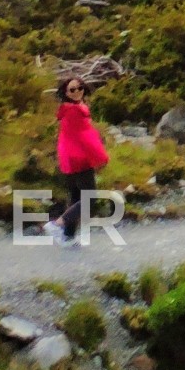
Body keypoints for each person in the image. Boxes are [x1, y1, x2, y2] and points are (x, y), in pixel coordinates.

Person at [45, 74, 109, 245]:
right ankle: (58, 224)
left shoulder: (68, 109)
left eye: (79, 88)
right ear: (66, 92)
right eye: (72, 90)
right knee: (90, 197)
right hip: (80, 159)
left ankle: (68, 236)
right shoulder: (76, 111)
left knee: (75, 197)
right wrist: (101, 157)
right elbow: (86, 137)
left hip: (69, 159)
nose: (77, 92)